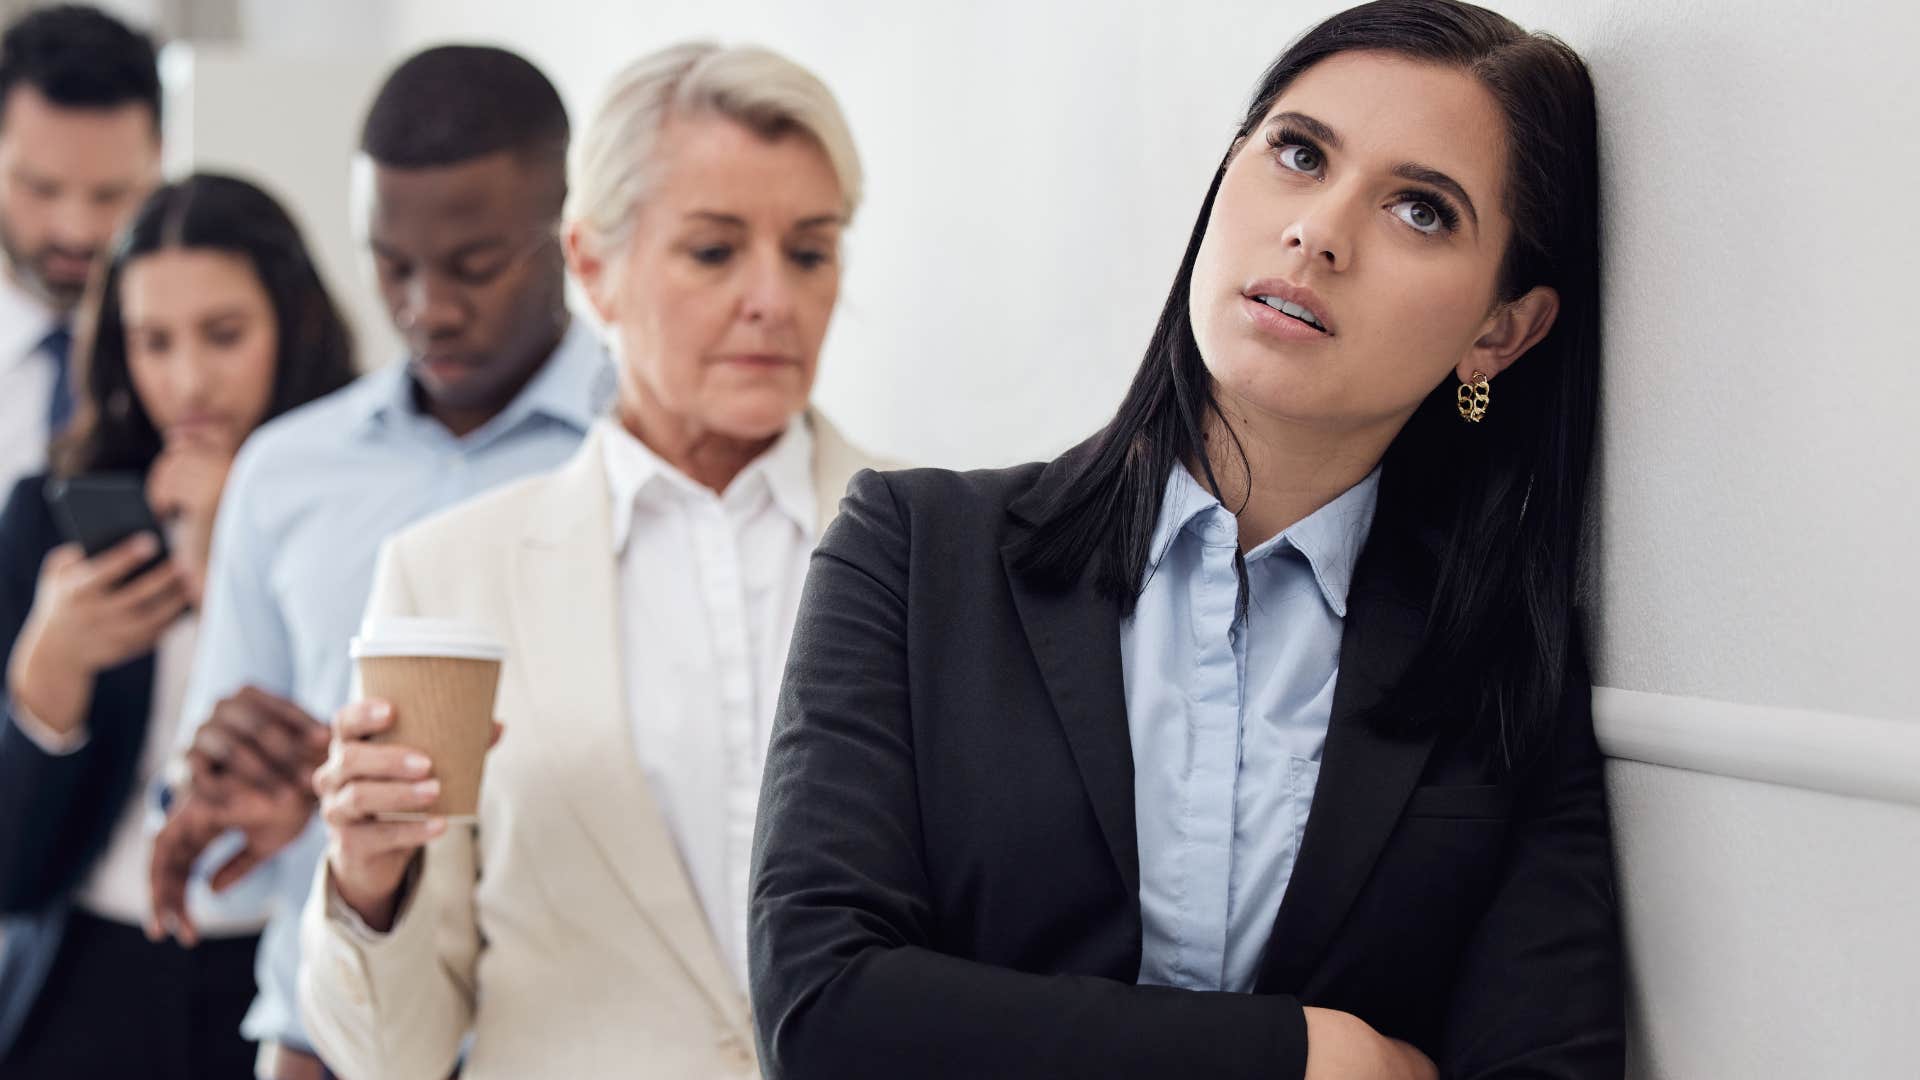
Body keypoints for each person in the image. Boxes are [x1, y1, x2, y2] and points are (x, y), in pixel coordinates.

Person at [749, 2, 1622, 1078]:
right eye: (1299, 153)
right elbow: (825, 1013)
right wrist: (1304, 1056)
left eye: (1421, 211)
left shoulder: (1503, 660)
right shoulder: (916, 551)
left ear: (1501, 331)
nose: (1320, 231)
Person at [297, 43, 892, 1080]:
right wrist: (367, 880)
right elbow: (393, 1057)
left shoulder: (951, 548)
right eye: (714, 251)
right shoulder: (447, 574)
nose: (771, 298)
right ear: (590, 266)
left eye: (809, 250)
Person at [143, 46, 610, 1080]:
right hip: (322, 1041)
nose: (426, 307)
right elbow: (207, 813)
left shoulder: (643, 453)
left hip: (572, 1041)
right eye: (390, 263)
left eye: (473, 266)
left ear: (569, 233)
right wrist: (226, 797)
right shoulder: (285, 469)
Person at [0, 173, 356, 1079]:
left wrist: (243, 536)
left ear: (294, 325)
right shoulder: (50, 518)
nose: (188, 381)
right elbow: (13, 874)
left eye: (225, 336)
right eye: (154, 343)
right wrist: (47, 682)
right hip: (92, 977)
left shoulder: (362, 503)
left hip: (292, 977)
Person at [0, 4, 162, 500]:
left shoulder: (194, 358)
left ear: (160, 159)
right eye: (41, 189)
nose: (77, 231)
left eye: (110, 194)